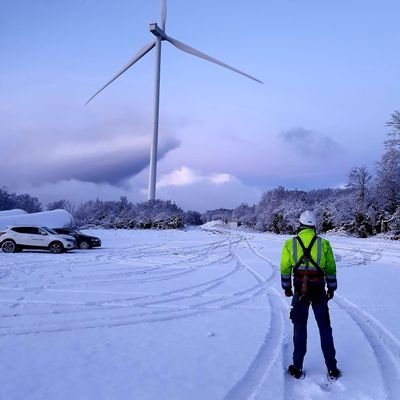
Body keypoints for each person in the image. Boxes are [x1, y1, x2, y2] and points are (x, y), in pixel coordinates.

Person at [280, 210, 340, 380]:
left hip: (299, 292)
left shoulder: (290, 244)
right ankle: (332, 368)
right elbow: (330, 268)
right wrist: (332, 288)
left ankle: (297, 367)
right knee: (325, 329)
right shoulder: (324, 244)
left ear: (299, 225)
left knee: (299, 329)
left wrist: (286, 287)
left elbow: (285, 268)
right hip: (319, 291)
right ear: (314, 226)